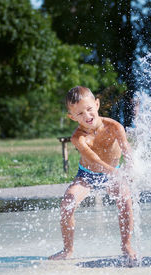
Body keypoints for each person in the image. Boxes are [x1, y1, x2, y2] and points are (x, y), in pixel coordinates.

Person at [49, 86, 137, 261]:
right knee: (67, 202)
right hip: (88, 175)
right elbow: (95, 159)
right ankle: (68, 250)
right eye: (80, 114)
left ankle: (126, 246)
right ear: (72, 117)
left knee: (126, 199)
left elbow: (127, 150)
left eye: (89, 109)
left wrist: (131, 168)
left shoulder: (114, 127)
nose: (87, 116)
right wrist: (115, 173)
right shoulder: (78, 138)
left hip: (114, 173)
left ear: (97, 104)